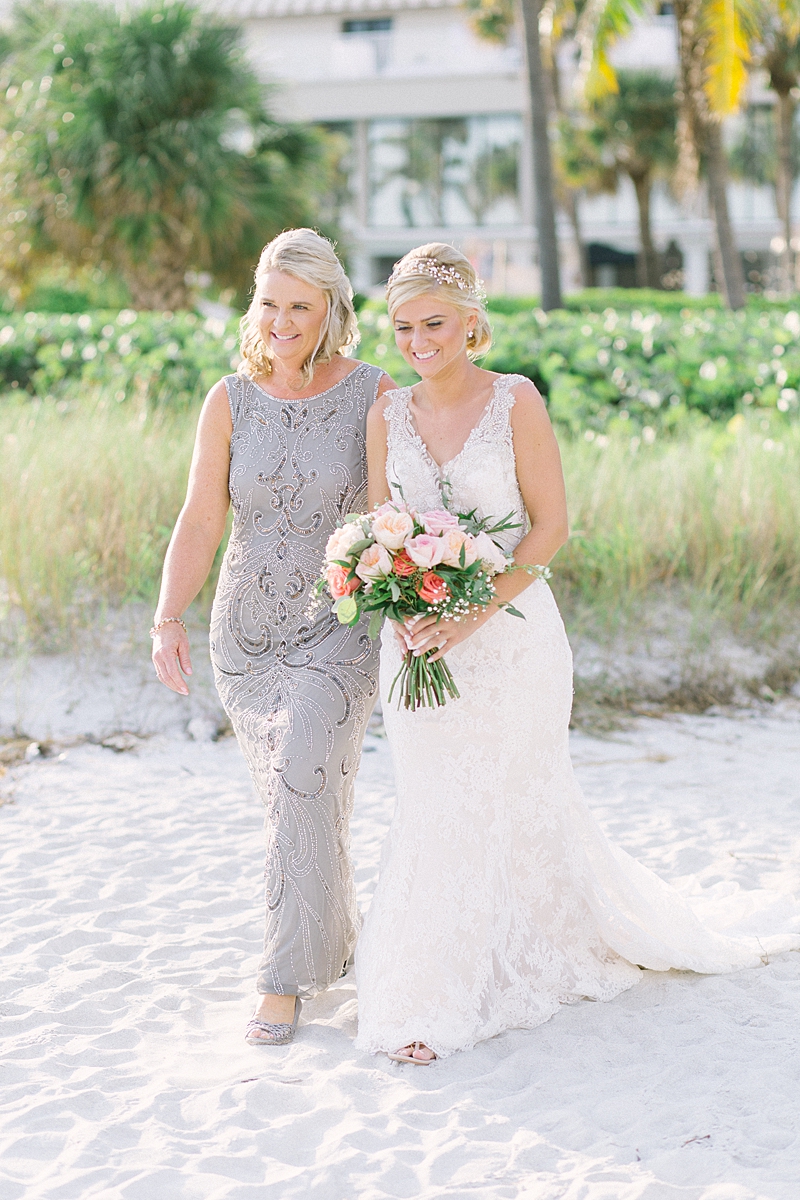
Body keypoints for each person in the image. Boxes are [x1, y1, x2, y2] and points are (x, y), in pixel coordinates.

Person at [355, 242, 800, 1064]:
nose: (418, 341)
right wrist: (404, 607)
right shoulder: (386, 415)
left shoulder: (515, 399)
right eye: (405, 326)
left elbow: (551, 527)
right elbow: (381, 529)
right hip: (416, 641)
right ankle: (429, 987)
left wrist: (470, 616)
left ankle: (522, 957)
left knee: (517, 797)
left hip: (513, 640)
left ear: (471, 322)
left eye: (435, 324)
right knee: (433, 805)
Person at [152, 228, 395, 1046]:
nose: (282, 321)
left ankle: (283, 980)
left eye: (300, 306)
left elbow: (387, 513)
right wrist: (167, 615)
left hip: (338, 626)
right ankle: (335, 943)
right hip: (246, 636)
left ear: (331, 308)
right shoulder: (229, 399)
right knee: (302, 797)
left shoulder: (372, 392)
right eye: (269, 304)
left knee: (301, 776)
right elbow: (201, 517)